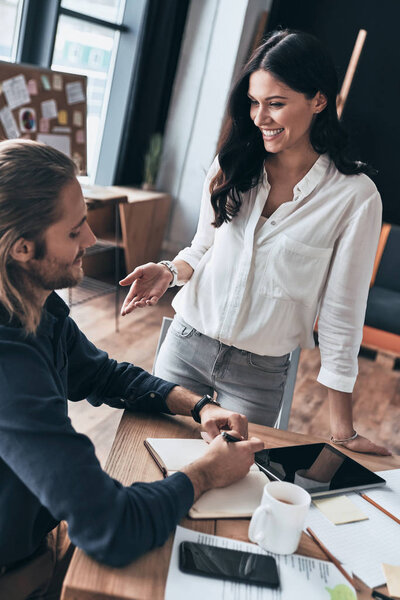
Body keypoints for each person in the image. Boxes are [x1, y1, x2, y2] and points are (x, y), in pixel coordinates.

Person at [0, 139, 263, 600]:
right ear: (23, 249)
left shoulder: (37, 306)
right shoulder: (9, 368)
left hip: (36, 539)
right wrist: (206, 473)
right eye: (74, 231)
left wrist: (198, 405)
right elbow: (111, 525)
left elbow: (102, 374)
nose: (91, 240)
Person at [120, 29, 390, 456]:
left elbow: (341, 316)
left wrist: (343, 431)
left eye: (276, 103)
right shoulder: (233, 163)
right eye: (253, 102)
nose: (259, 116)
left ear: (318, 100)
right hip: (185, 345)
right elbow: (203, 247)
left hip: (258, 376)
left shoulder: (355, 197)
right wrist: (169, 271)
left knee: (234, 486)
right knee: (151, 461)